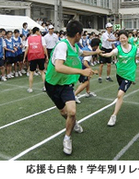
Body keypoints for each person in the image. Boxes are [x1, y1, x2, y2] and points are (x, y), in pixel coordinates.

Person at [44, 20, 102, 155]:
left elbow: (82, 53)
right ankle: (73, 123)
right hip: (52, 85)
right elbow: (59, 67)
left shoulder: (75, 46)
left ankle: (67, 137)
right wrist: (82, 71)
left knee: (72, 112)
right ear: (77, 34)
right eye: (81, 34)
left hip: (66, 85)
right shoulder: (62, 46)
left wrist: (96, 52)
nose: (81, 36)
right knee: (64, 113)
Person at [101, 30, 139, 127]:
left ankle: (113, 116)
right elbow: (110, 54)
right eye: (120, 39)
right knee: (121, 91)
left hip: (129, 75)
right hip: (119, 74)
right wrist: (104, 54)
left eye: (124, 38)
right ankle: (128, 83)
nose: (122, 40)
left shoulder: (134, 49)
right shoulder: (118, 49)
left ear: (127, 38)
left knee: (120, 94)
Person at [74, 38, 101, 103]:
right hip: (80, 67)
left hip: (75, 64)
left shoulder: (85, 48)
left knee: (87, 78)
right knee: (85, 82)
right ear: (96, 46)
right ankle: (74, 95)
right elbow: (85, 62)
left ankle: (87, 92)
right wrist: (92, 70)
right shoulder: (89, 52)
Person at [23, 27, 48, 93]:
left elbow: (27, 48)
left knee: (31, 72)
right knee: (42, 72)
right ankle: (45, 87)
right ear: (36, 31)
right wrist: (47, 56)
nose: (40, 33)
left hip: (32, 56)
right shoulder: (41, 38)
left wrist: (24, 57)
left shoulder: (29, 38)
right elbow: (44, 47)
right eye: (39, 31)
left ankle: (30, 88)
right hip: (40, 56)